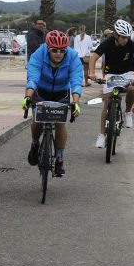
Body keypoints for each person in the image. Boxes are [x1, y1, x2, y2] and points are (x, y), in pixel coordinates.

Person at [23, 31, 82, 176]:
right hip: (41, 91)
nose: (58, 53)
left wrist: (76, 102)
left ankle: (60, 158)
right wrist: (28, 97)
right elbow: (33, 77)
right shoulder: (39, 54)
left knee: (60, 124)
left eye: (62, 50)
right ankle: (35, 143)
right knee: (37, 119)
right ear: (48, 48)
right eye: (54, 50)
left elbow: (76, 79)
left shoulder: (73, 56)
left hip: (61, 92)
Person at [89, 20, 134, 148]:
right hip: (111, 74)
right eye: (123, 37)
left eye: (127, 37)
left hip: (127, 73)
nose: (125, 40)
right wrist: (92, 73)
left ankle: (128, 112)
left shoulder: (130, 44)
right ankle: (101, 135)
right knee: (107, 100)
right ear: (116, 35)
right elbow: (93, 57)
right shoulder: (108, 43)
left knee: (132, 88)